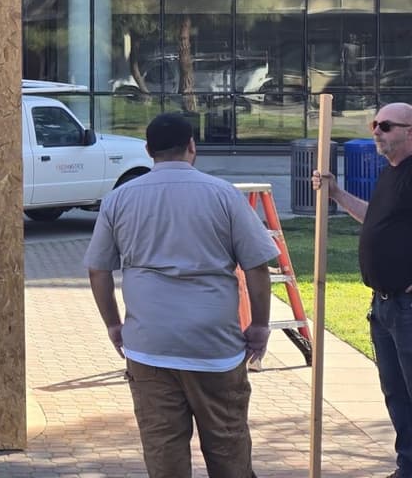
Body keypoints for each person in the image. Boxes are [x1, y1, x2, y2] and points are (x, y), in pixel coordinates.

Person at [85, 112, 279, 477]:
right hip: (214, 347)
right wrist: (260, 325)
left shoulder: (119, 199)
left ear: (148, 150)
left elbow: (98, 270)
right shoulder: (222, 194)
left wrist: (113, 323)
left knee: (164, 455)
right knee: (229, 447)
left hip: (149, 346)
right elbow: (257, 266)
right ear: (192, 146)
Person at [314, 102, 412, 478]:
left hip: (407, 306)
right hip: (384, 306)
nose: (377, 132)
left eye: (386, 126)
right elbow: (374, 217)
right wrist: (336, 194)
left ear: (409, 131)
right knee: (397, 395)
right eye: (375, 124)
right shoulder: (391, 174)